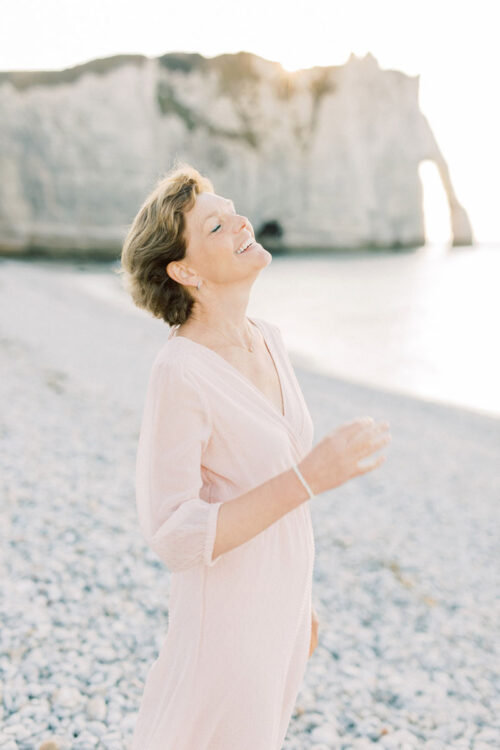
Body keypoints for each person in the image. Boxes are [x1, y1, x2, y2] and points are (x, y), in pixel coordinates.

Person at [119, 161, 391, 749]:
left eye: (232, 211)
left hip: (280, 610)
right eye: (215, 227)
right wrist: (311, 475)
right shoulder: (180, 371)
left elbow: (264, 483)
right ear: (184, 270)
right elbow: (173, 533)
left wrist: (302, 599)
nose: (241, 222)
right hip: (227, 625)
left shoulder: (269, 337)